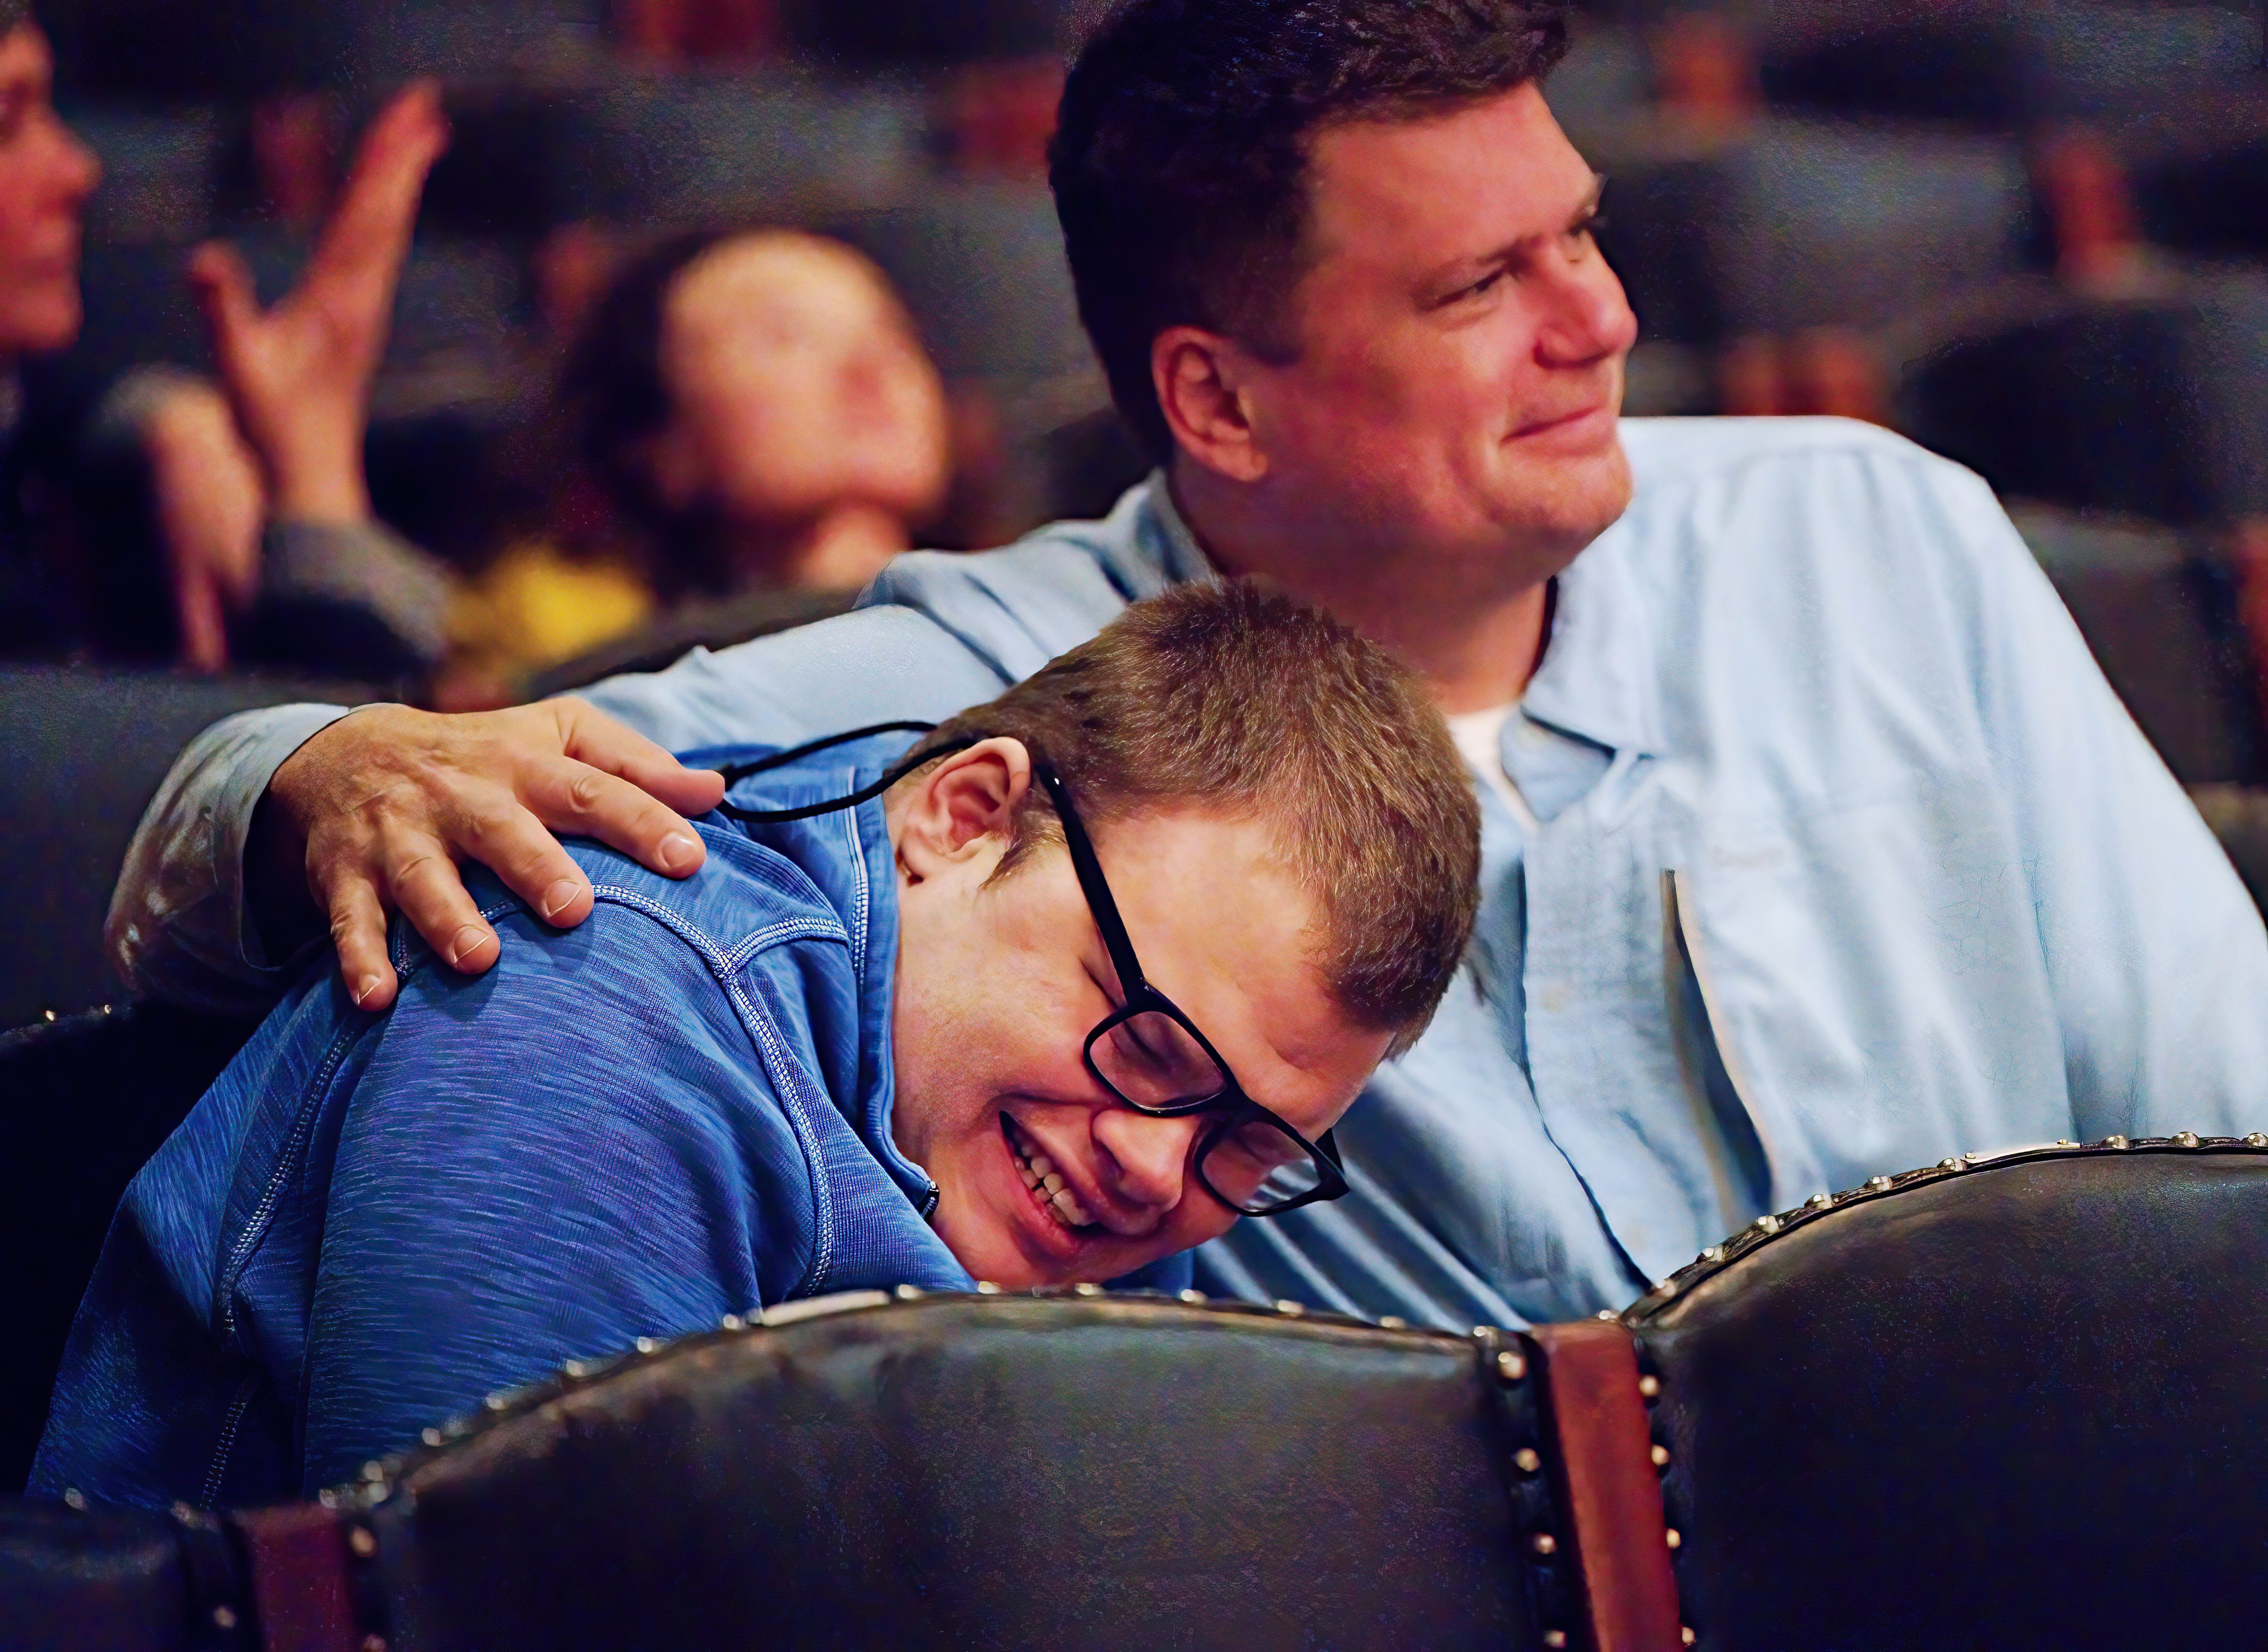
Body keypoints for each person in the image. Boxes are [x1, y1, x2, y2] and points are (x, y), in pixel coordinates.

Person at [108, 0, 2268, 1332]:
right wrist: (319, 777)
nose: (1596, 320)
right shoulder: (984, 701)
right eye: (1478, 287)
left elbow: (2221, 1107)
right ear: (1219, 403)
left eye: (1583, 233)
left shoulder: (1869, 530)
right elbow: (352, 805)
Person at [35, 582, 1479, 1507]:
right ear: (959, 819)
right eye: (1149, 1045)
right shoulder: (592, 1012)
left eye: (1243, 1140)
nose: (1157, 1173)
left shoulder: (1069, 1141)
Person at [0, 5, 454, 676]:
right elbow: (330, 773)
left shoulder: (51, 453)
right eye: (7, 124)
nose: (79, 171)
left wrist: (158, 417)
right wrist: (314, 481)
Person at [438, 227, 953, 705]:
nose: (870, 368)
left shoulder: (1019, 592)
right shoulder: (547, 627)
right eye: (784, 337)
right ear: (657, 437)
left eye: (894, 334)